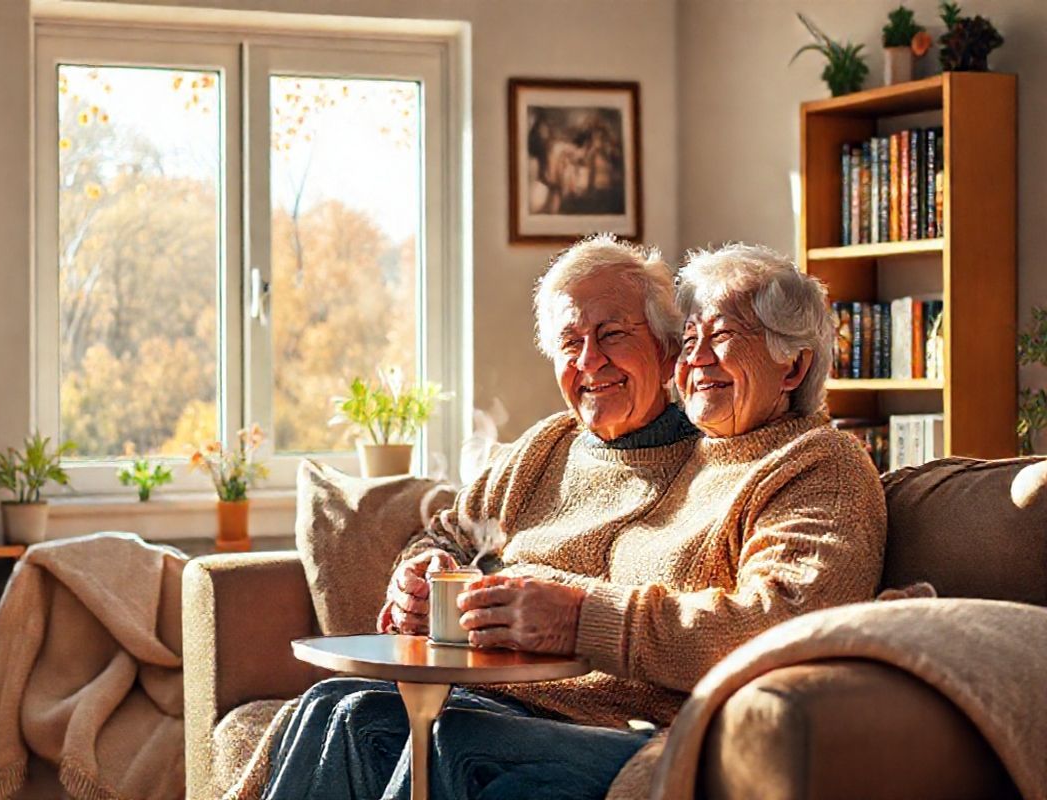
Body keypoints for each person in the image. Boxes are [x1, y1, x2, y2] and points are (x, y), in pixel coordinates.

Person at [262, 239, 886, 800]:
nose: (696, 361)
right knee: (336, 710)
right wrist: (420, 571)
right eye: (691, 339)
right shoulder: (676, 448)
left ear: (795, 365)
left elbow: (785, 625)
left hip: (643, 732)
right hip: (513, 704)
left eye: (720, 338)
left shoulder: (817, 463)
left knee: (445, 742)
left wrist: (580, 616)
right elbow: (450, 532)